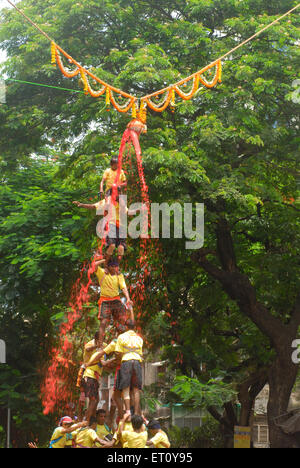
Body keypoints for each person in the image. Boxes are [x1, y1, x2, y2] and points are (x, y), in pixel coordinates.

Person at [95, 257, 133, 347]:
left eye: (116, 266)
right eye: (112, 266)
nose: (115, 268)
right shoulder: (102, 273)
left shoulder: (119, 276)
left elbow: (123, 287)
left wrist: (128, 298)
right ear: (108, 267)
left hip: (116, 300)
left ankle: (124, 343)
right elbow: (94, 265)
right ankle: (100, 346)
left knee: (123, 320)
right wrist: (105, 260)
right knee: (103, 322)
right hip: (105, 300)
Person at [115, 319, 143, 416]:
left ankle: (127, 411)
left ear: (126, 327)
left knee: (126, 388)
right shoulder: (139, 338)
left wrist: (121, 357)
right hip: (137, 362)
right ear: (134, 327)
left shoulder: (121, 337)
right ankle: (135, 413)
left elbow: (117, 353)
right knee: (136, 389)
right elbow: (140, 353)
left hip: (126, 361)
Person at [82, 332, 103, 424]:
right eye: (101, 339)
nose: (103, 341)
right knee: (92, 400)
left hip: (96, 376)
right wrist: (96, 346)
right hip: (89, 374)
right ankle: (86, 421)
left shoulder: (104, 345)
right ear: (96, 339)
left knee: (96, 400)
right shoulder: (90, 344)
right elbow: (87, 348)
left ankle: (92, 419)